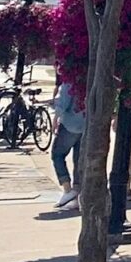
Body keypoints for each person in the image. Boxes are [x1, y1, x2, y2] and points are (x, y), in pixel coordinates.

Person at [47, 78, 86, 211]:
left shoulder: (70, 79)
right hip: (85, 125)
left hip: (70, 124)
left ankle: (67, 190)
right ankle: (77, 193)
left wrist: (55, 118)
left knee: (57, 154)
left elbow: (63, 102)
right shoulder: (90, 76)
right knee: (79, 160)